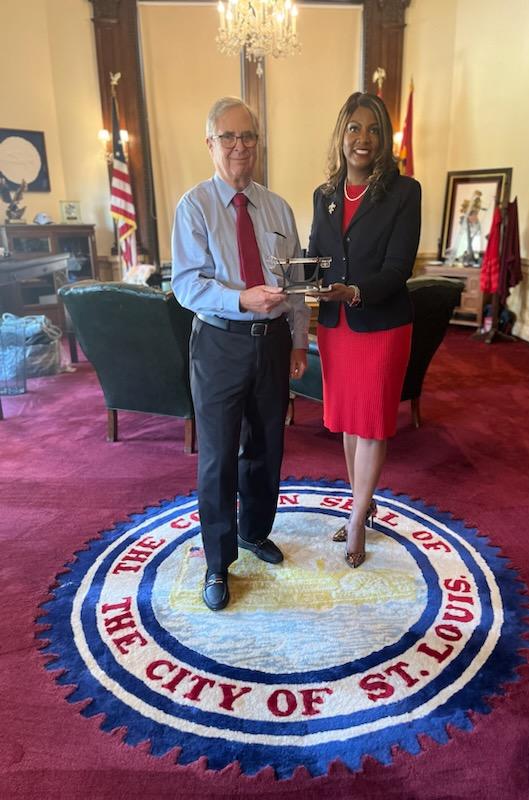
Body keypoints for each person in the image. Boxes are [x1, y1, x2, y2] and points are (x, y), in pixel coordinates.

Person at [171, 97, 309, 611]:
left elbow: (295, 282)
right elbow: (186, 285)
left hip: (272, 344)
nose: (240, 146)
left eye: (248, 136)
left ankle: (254, 532)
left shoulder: (278, 208)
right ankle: (217, 560)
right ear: (211, 144)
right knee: (218, 456)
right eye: (228, 137)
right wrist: (240, 298)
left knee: (267, 447)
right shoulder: (194, 207)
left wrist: (298, 340)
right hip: (219, 342)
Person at [307, 92, 421, 568]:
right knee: (349, 422)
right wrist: (299, 276)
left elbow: (398, 269)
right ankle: (363, 503)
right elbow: (317, 253)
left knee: (372, 422)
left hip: (380, 322)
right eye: (354, 128)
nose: (363, 139)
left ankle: (356, 520)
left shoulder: (404, 191)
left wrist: (352, 291)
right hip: (337, 327)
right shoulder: (325, 195)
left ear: (384, 139)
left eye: (373, 129)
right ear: (341, 134)